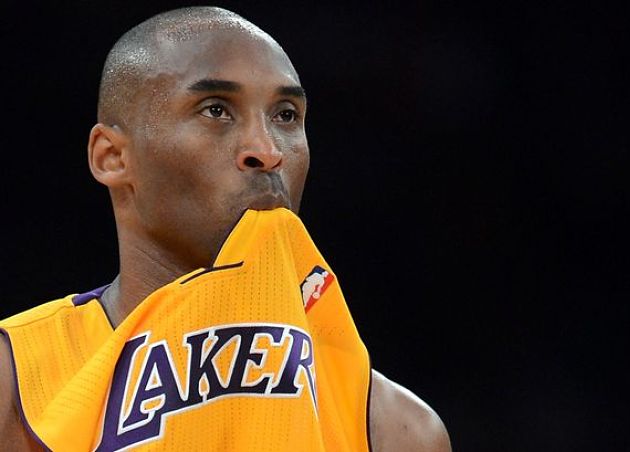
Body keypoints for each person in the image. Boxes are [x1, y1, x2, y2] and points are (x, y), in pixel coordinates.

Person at [0, 6, 451, 451]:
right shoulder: (16, 384)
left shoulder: (396, 430)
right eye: (216, 110)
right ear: (113, 157)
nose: (267, 150)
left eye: (286, 115)